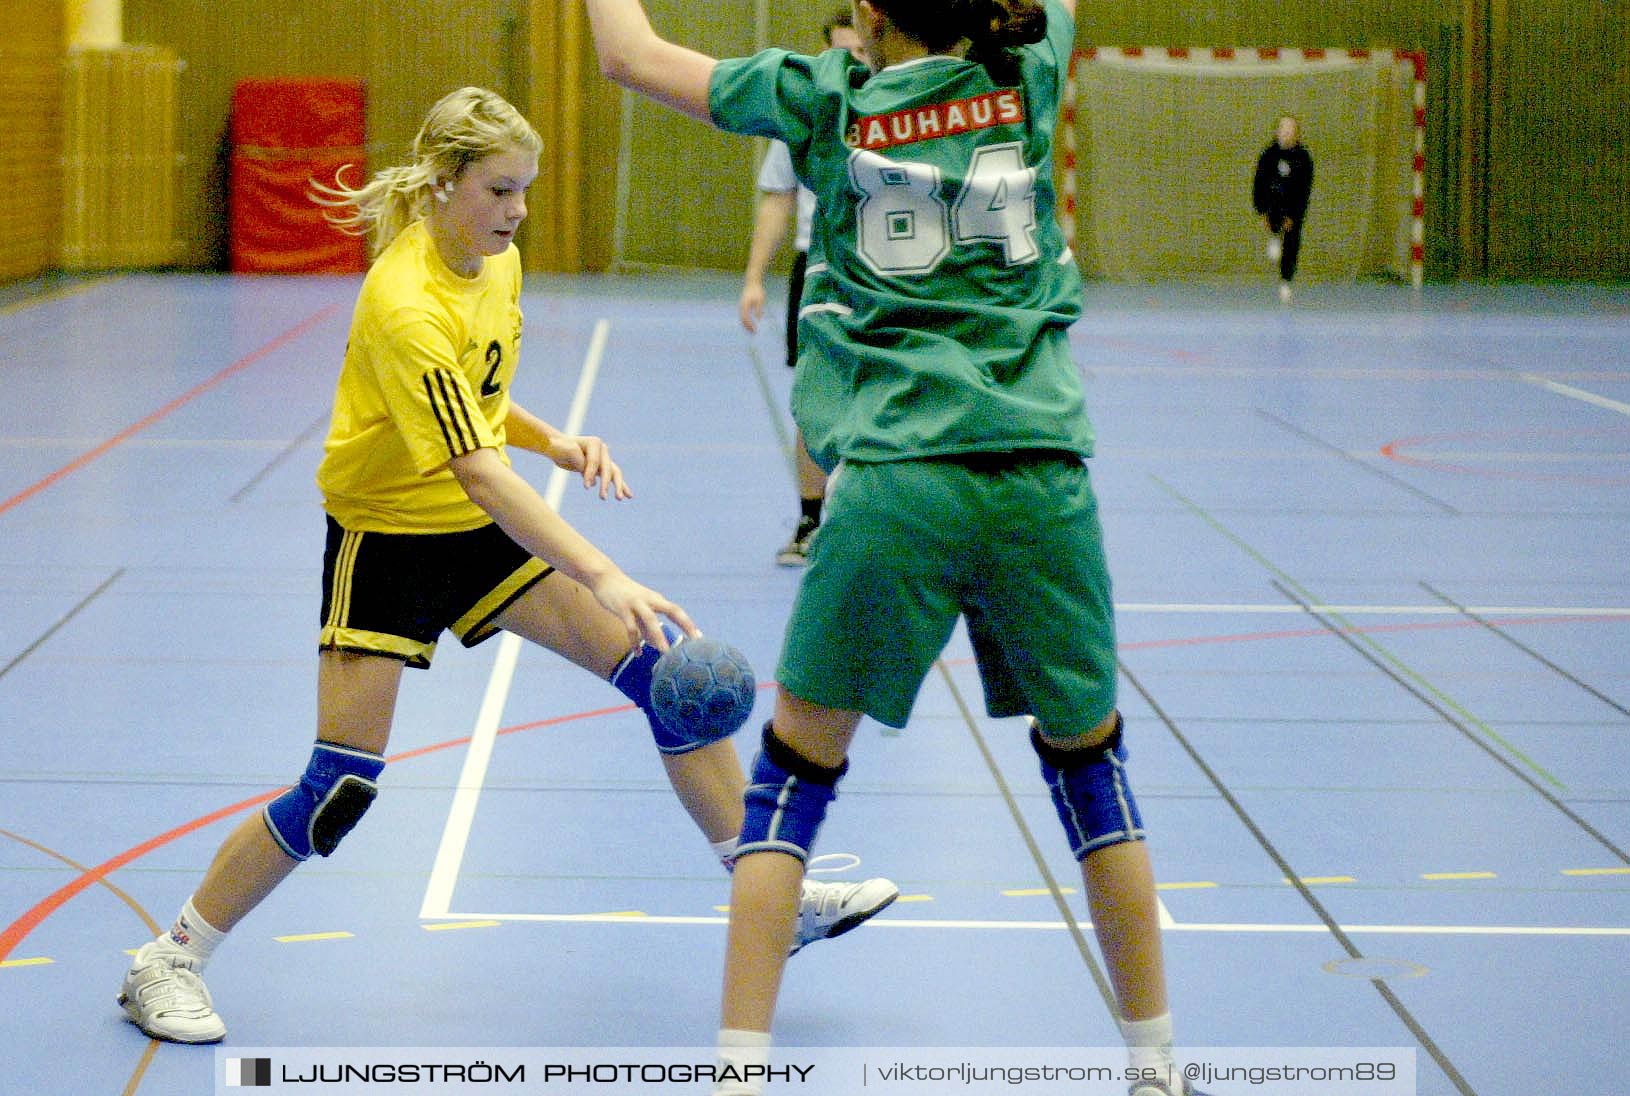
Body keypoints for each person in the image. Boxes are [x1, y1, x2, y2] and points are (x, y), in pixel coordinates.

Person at [114, 86, 897, 1046]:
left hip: (468, 528)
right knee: (342, 783)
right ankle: (171, 956)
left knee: (667, 681)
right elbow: (479, 471)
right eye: (499, 189)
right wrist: (603, 571)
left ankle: (776, 906)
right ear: (444, 185)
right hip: (390, 541)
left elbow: (479, 401)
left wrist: (554, 438)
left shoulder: (496, 260)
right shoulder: (404, 303)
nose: (518, 210)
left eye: (525, 188)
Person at [585, 4, 1208, 1095]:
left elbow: (626, 56)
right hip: (1037, 483)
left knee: (786, 788)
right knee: (1091, 777)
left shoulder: (824, 95)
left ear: (870, 14)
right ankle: (1156, 1068)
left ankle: (738, 1074)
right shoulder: (1034, 62)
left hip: (893, 486)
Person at [737, 10, 867, 567]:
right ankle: (812, 519)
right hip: (820, 266)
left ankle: (873, 518)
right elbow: (778, 195)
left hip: (886, 266)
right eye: (841, 53)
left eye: (860, 50)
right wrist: (752, 278)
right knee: (814, 398)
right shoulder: (811, 105)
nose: (853, 63)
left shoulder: (912, 101)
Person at [1252, 114, 1314, 303]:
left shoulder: (1303, 158)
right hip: (1273, 204)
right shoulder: (1268, 155)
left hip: (1293, 205)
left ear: (1296, 134)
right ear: (1277, 132)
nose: (1286, 134)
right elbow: (1258, 184)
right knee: (1273, 191)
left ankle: (1286, 280)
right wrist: (1261, 212)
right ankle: (1273, 233)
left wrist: (1293, 217)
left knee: (1292, 245)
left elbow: (1304, 191)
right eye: (1283, 130)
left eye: (1291, 131)